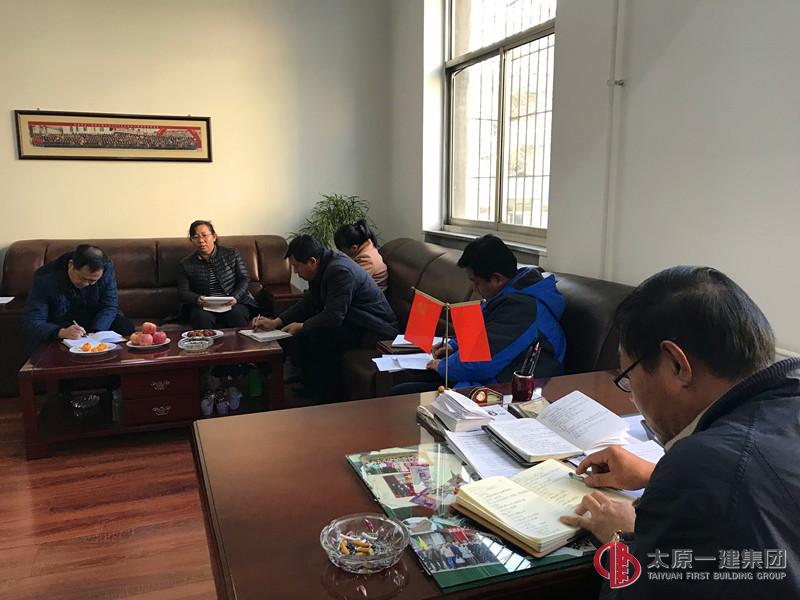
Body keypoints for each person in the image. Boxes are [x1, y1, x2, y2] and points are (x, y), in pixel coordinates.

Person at [558, 266, 800, 598]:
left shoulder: (703, 466)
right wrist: (653, 474)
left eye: (628, 375)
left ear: (676, 364)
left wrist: (622, 538)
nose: (631, 394)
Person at [392, 234, 566, 393]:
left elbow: (482, 361)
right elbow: (482, 334)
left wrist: (444, 366)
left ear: (497, 278)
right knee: (404, 389)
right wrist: (454, 346)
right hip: (487, 380)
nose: (474, 289)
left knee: (402, 394)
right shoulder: (509, 294)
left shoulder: (523, 308)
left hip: (512, 391)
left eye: (476, 282)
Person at [251, 234, 398, 403]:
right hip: (352, 320)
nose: (296, 272)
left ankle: (327, 398)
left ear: (312, 261)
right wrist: (277, 321)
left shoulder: (339, 271)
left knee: (316, 337)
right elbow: (309, 301)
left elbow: (334, 316)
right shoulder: (322, 266)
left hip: (374, 329)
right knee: (304, 335)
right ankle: (311, 388)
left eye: (297, 267)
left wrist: (302, 326)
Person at [24, 244, 134, 351]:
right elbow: (33, 321)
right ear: (71, 265)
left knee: (125, 326)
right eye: (83, 278)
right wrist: (61, 332)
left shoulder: (106, 268)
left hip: (94, 317)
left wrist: (96, 331)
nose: (86, 284)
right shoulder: (45, 278)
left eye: (93, 281)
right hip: (62, 322)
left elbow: (109, 306)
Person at [177, 220, 257, 329]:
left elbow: (244, 278)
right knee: (201, 317)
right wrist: (197, 299)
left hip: (232, 303)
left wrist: (235, 297)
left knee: (236, 314)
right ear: (192, 240)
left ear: (214, 237)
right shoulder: (186, 263)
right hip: (204, 307)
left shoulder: (231, 254)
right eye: (195, 237)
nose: (201, 240)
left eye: (205, 235)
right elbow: (183, 292)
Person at [333, 219, 388, 291]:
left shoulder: (368, 260)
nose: (341, 252)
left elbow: (351, 282)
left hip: (372, 294)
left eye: (342, 250)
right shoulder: (363, 249)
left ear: (354, 248)